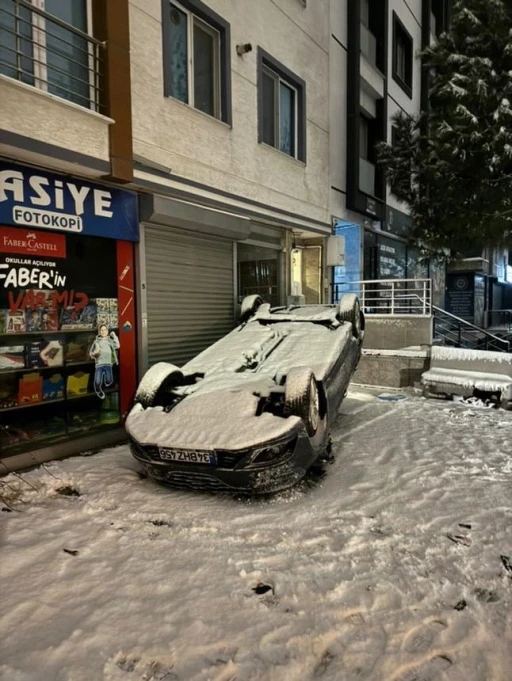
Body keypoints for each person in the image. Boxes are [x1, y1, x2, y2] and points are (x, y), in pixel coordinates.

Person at [89, 324, 120, 399]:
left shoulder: (110, 340)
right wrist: (94, 354)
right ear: (99, 332)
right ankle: (98, 390)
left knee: (109, 380)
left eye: (105, 330)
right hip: (99, 364)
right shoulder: (96, 341)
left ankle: (105, 388)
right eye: (101, 330)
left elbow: (117, 345)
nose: (103, 332)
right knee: (97, 381)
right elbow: (91, 352)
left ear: (107, 331)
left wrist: (114, 336)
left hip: (108, 364)